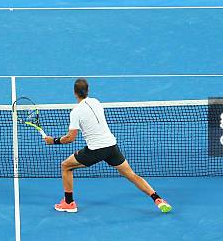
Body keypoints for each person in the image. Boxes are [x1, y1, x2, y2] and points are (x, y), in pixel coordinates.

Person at [44, 78, 172, 214]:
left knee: (65, 166)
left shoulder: (76, 112)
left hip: (95, 151)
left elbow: (70, 138)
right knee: (131, 175)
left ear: (74, 93)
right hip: (112, 147)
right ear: (87, 91)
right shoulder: (96, 102)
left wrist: (54, 140)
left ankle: (69, 203)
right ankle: (158, 199)